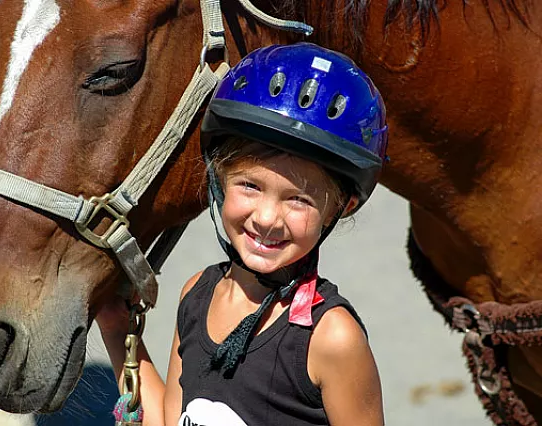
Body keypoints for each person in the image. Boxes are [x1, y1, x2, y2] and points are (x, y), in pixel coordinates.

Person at [98, 42, 388, 426]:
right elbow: (173, 419)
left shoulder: (331, 338)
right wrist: (117, 329)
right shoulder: (198, 295)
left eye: (298, 199)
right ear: (219, 178)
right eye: (250, 186)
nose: (268, 218)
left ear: (341, 207)